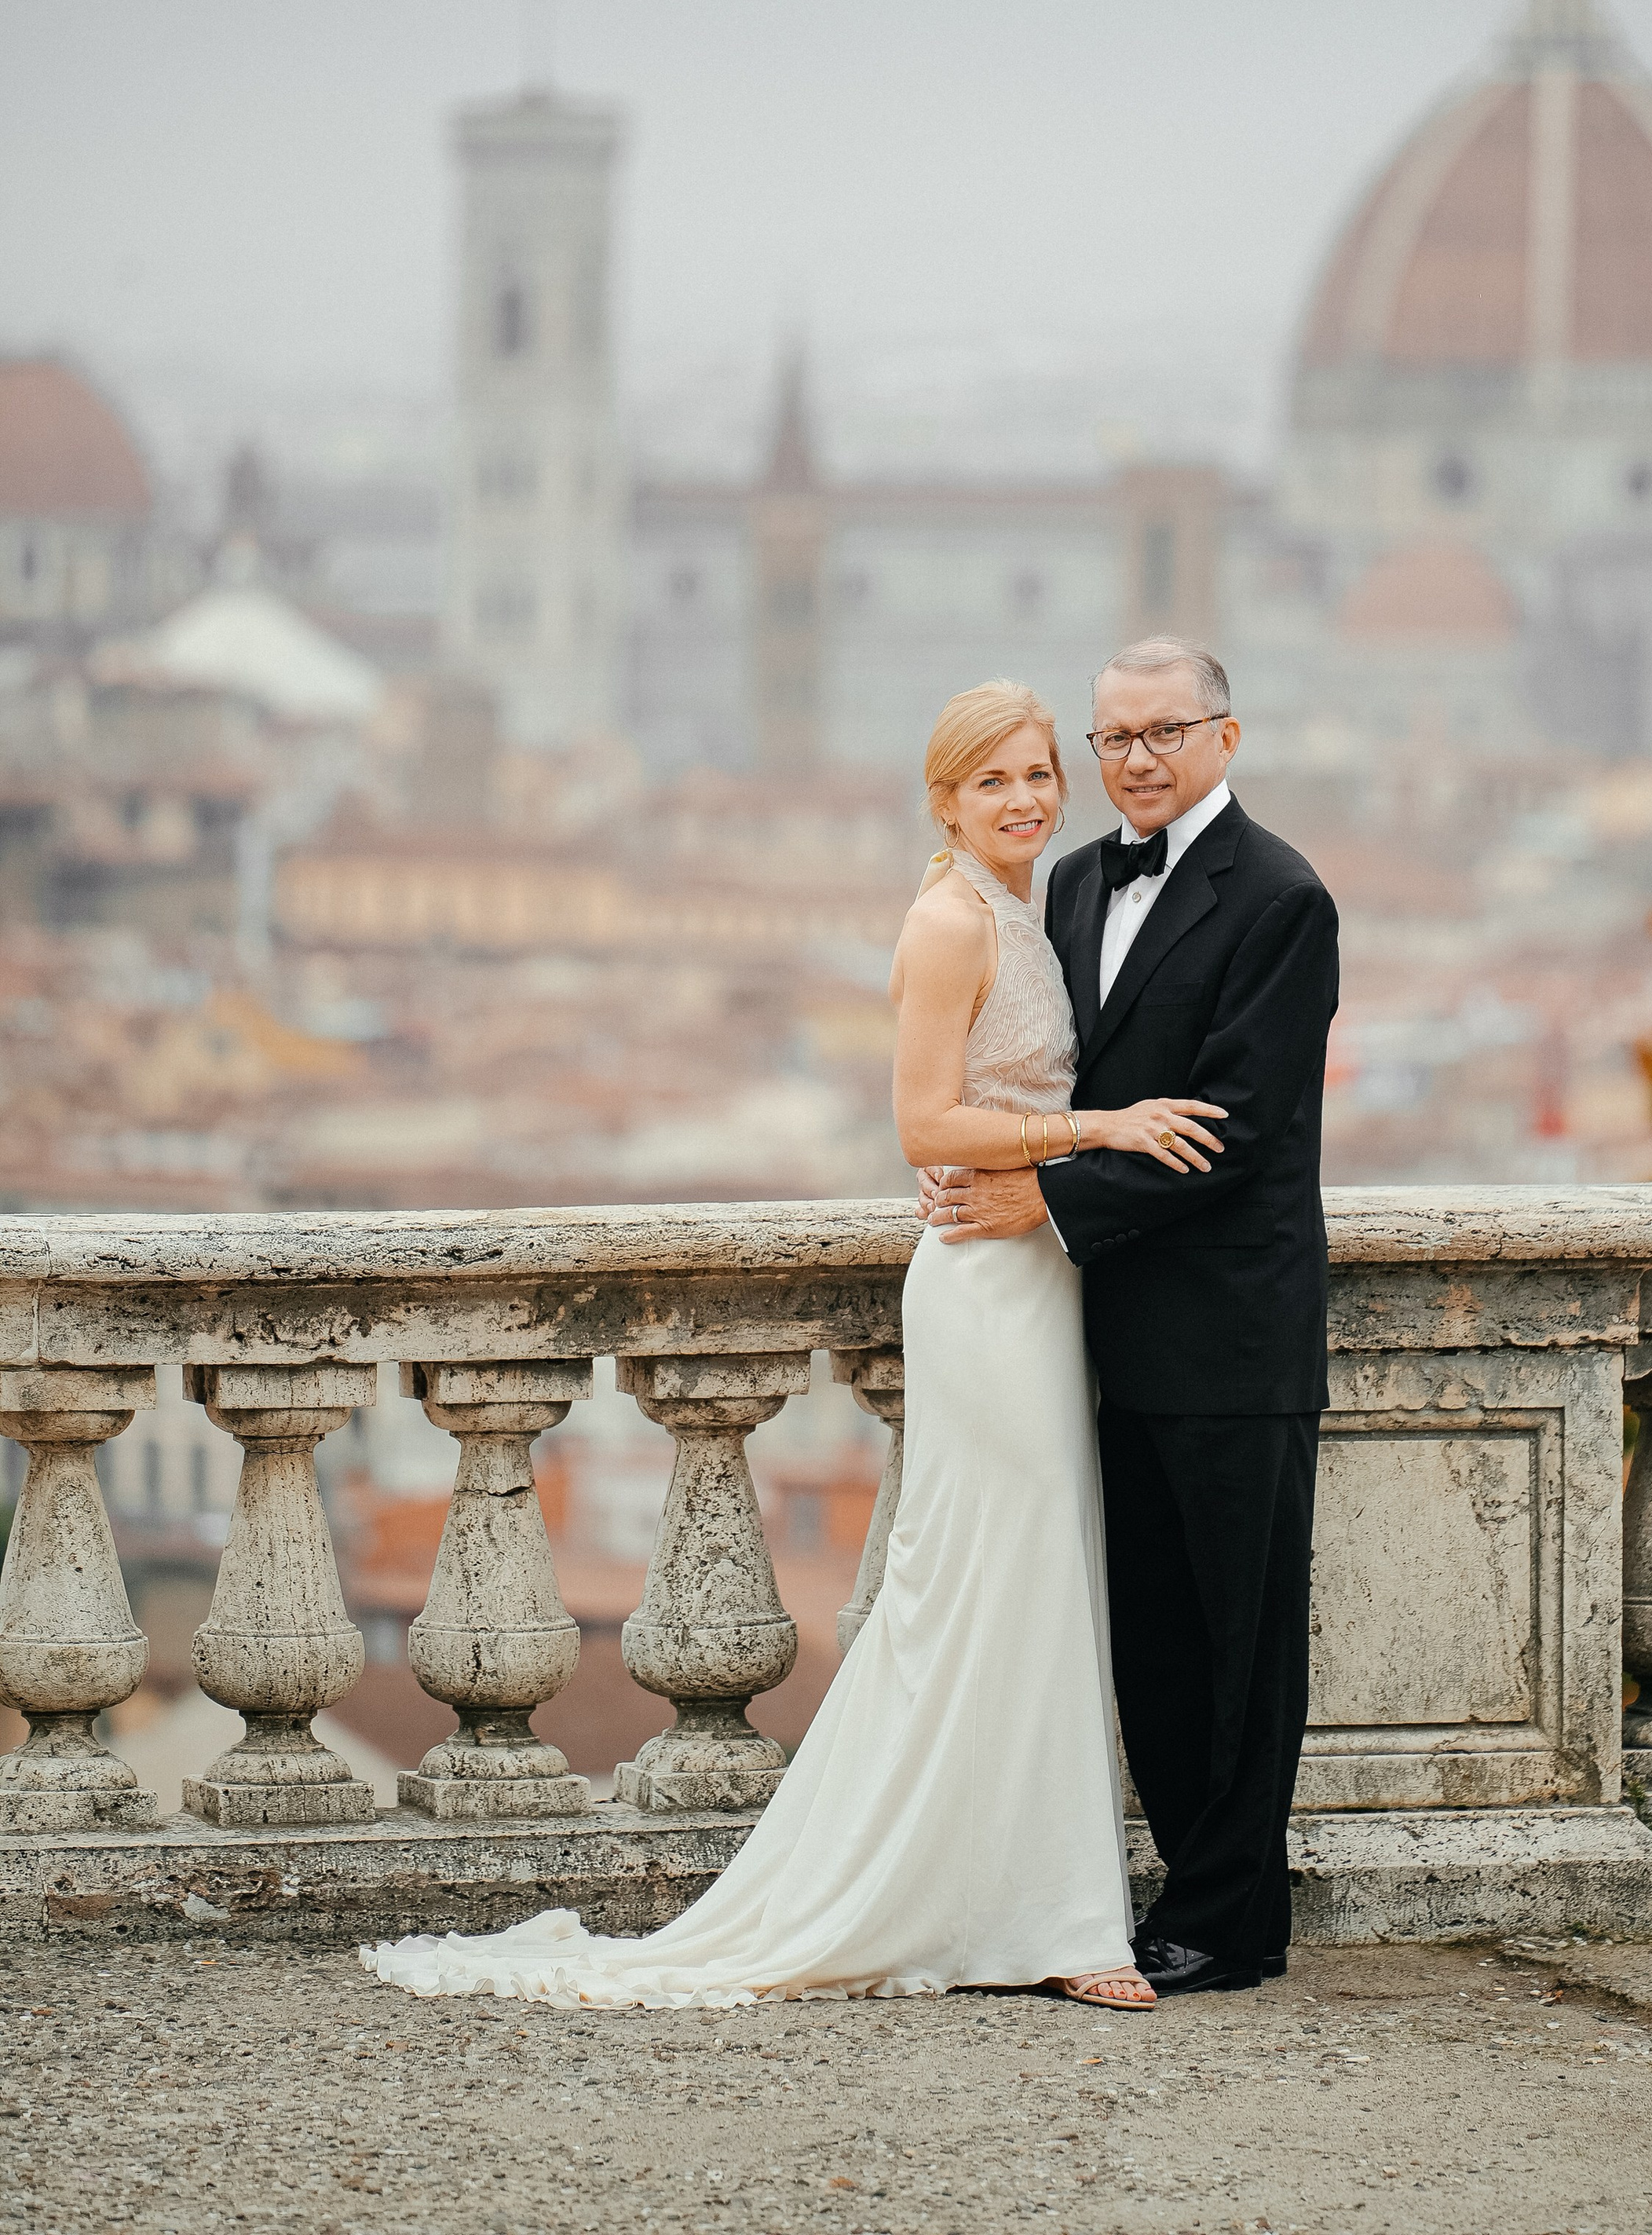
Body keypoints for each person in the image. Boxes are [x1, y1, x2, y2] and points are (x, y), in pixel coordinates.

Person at [362, 678, 1223, 2013]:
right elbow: (925, 1128)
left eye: (1040, 774)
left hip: (1035, 1275)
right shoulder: (951, 920)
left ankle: (1034, 1905)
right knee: (984, 1583)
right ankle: (1036, 1917)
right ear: (944, 802)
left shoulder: (1031, 908)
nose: (1027, 799)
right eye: (992, 781)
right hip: (984, 1287)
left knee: (1033, 1584)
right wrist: (1096, 1134)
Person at [920, 636, 1339, 1997]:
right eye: (1117, 739)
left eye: (1166, 733)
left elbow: (1236, 1127)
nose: (1139, 760)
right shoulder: (1080, 880)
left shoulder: (1283, 898)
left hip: (1230, 1336)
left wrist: (1044, 1205)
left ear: (1226, 736)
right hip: (1095, 1331)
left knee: (1239, 1642)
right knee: (1152, 1638)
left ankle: (1231, 1921)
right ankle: (1175, 1900)